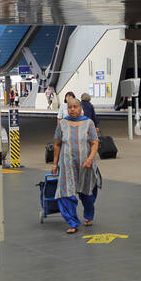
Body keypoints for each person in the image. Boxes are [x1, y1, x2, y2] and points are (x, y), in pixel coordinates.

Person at [50, 96, 101, 234]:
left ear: (80, 108)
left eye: (75, 107)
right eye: (70, 107)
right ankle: (72, 222)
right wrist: (55, 164)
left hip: (86, 164)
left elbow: (95, 143)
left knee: (88, 191)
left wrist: (90, 159)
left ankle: (88, 215)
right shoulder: (62, 124)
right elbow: (57, 143)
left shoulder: (88, 123)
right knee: (66, 192)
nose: (72, 109)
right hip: (67, 164)